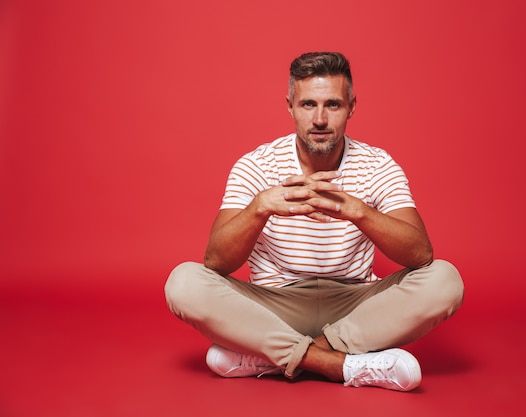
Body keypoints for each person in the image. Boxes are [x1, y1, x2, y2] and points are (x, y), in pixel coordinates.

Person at [165, 51, 464, 392]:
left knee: (445, 279)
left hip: (355, 306)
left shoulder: (378, 165)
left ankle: (274, 357)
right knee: (183, 282)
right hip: (275, 303)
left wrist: (360, 212)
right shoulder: (255, 166)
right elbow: (215, 261)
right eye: (308, 104)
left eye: (333, 105)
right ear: (290, 106)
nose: (320, 119)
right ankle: (338, 365)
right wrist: (260, 208)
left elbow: (421, 254)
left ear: (351, 106)